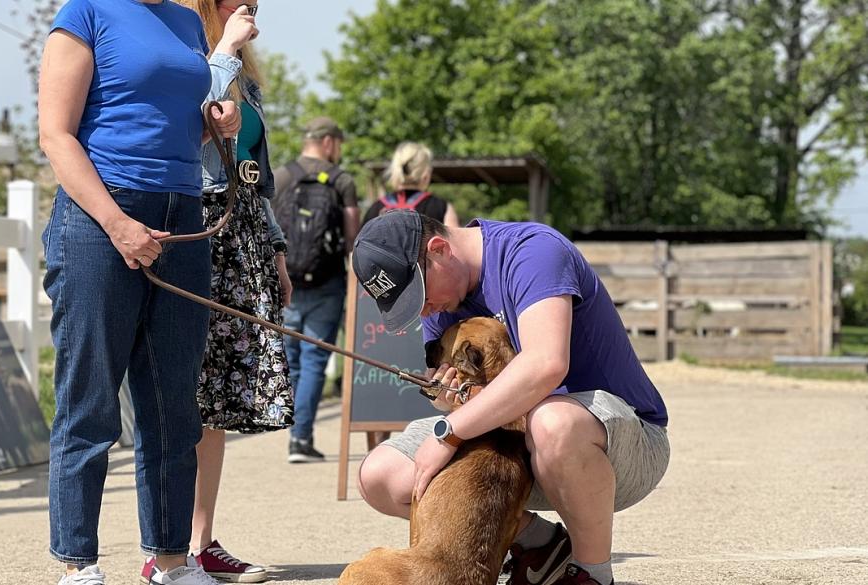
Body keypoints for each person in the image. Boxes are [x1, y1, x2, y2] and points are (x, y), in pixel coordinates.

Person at [351, 211, 670, 585]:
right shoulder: (445, 305)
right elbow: (463, 405)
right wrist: (451, 400)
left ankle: (591, 573)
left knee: (552, 422)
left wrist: (449, 430)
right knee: (380, 475)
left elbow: (546, 364)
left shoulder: (532, 252)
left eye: (418, 296)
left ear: (439, 250)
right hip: (518, 457)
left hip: (616, 448)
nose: (422, 312)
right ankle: (540, 544)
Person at [37, 0, 240, 583]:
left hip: (183, 216)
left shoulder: (184, 21)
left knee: (175, 406)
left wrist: (213, 124)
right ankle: (78, 563)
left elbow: (172, 119)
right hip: (100, 215)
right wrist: (116, 223)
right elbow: (56, 135)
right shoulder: (86, 12)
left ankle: (171, 562)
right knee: (90, 401)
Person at [139, 1, 286, 583]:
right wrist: (223, 48)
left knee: (216, 401)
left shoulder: (246, 76)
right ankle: (164, 544)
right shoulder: (186, 58)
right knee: (180, 393)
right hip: (196, 224)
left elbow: (248, 164)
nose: (251, 7)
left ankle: (200, 541)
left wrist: (274, 246)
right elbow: (200, 120)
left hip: (242, 233)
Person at [272, 117, 360, 463]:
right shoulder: (342, 181)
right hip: (327, 282)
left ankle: (293, 431)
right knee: (314, 360)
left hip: (287, 280)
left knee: (292, 359)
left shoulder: (279, 176)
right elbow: (353, 238)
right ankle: (301, 438)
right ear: (328, 142)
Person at [361, 142, 459, 228]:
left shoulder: (376, 209)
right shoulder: (442, 208)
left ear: (395, 171)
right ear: (426, 175)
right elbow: (455, 247)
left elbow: (358, 247)